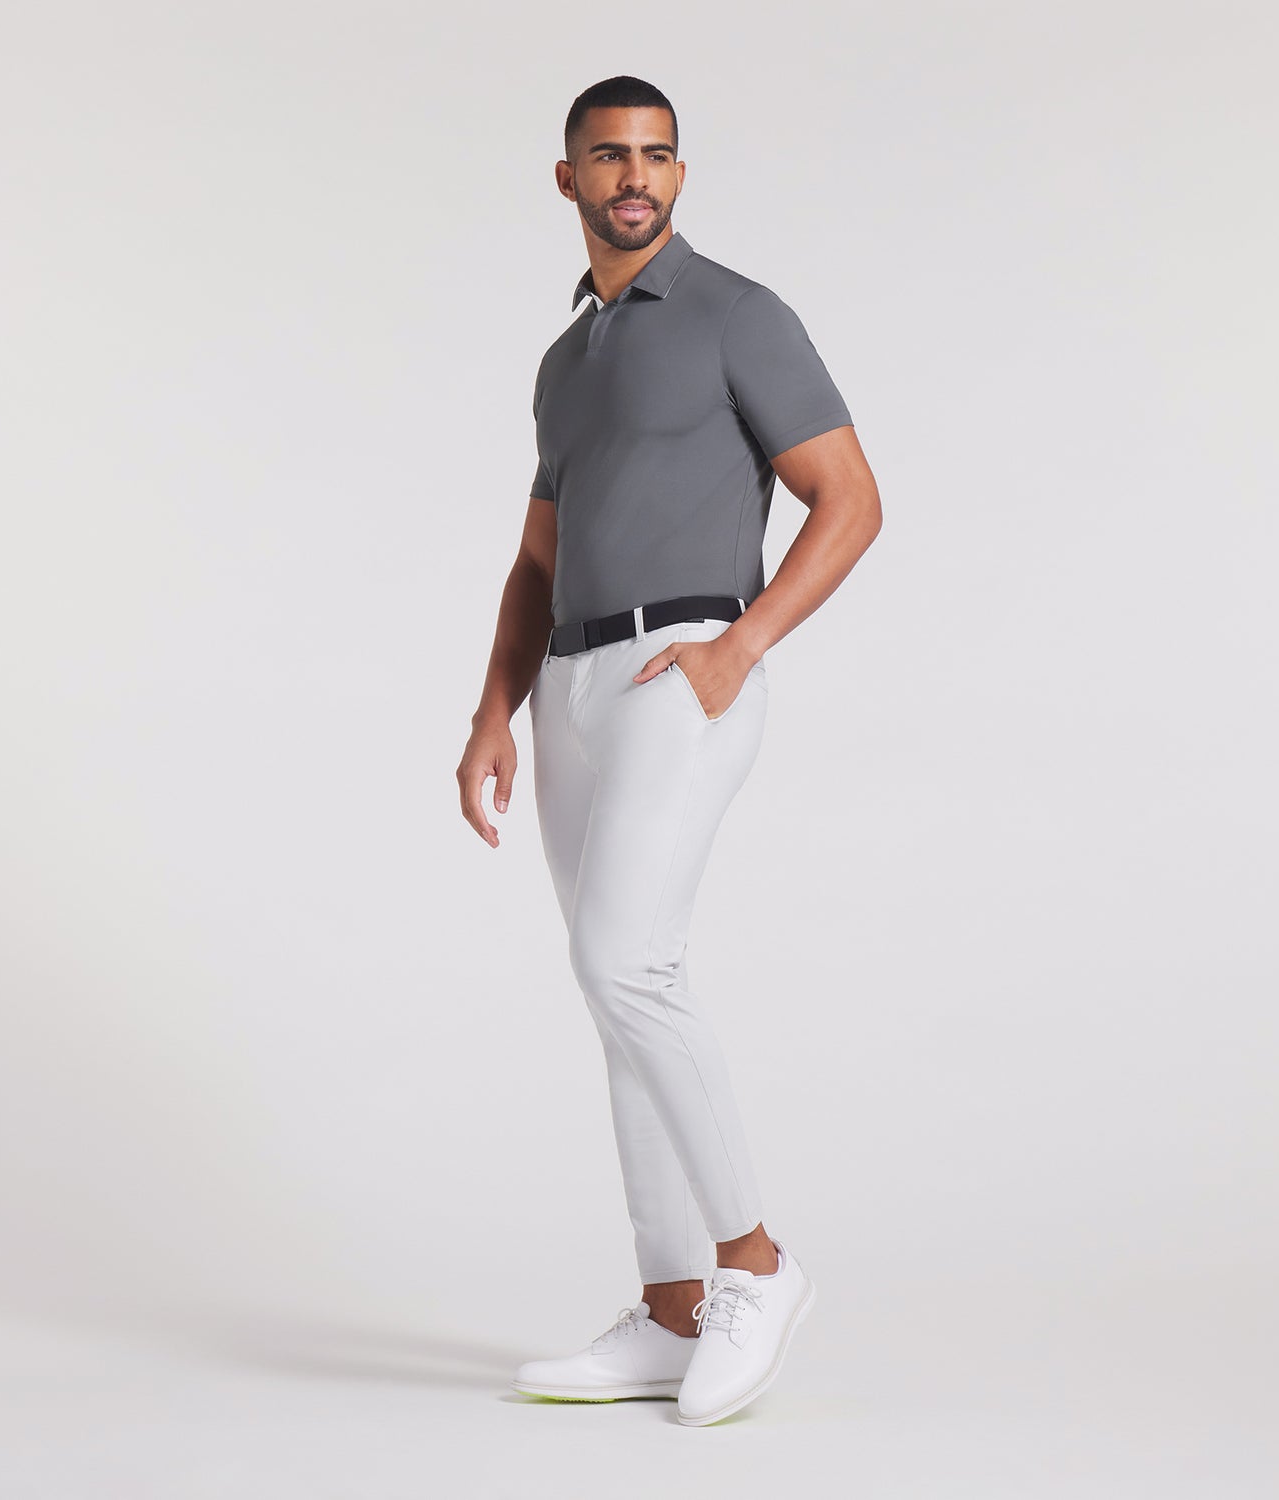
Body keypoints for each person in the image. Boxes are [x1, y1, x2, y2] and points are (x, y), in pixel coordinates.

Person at [456, 75, 881, 1426]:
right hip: (569, 686)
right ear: (569, 178)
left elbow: (850, 498)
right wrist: (493, 711)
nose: (633, 176)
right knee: (617, 993)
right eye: (608, 156)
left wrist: (739, 647)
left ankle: (756, 1263)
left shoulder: (738, 315)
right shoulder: (564, 361)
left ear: (680, 175)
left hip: (680, 666)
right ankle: (670, 1306)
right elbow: (538, 560)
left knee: (624, 963)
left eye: (655, 156)